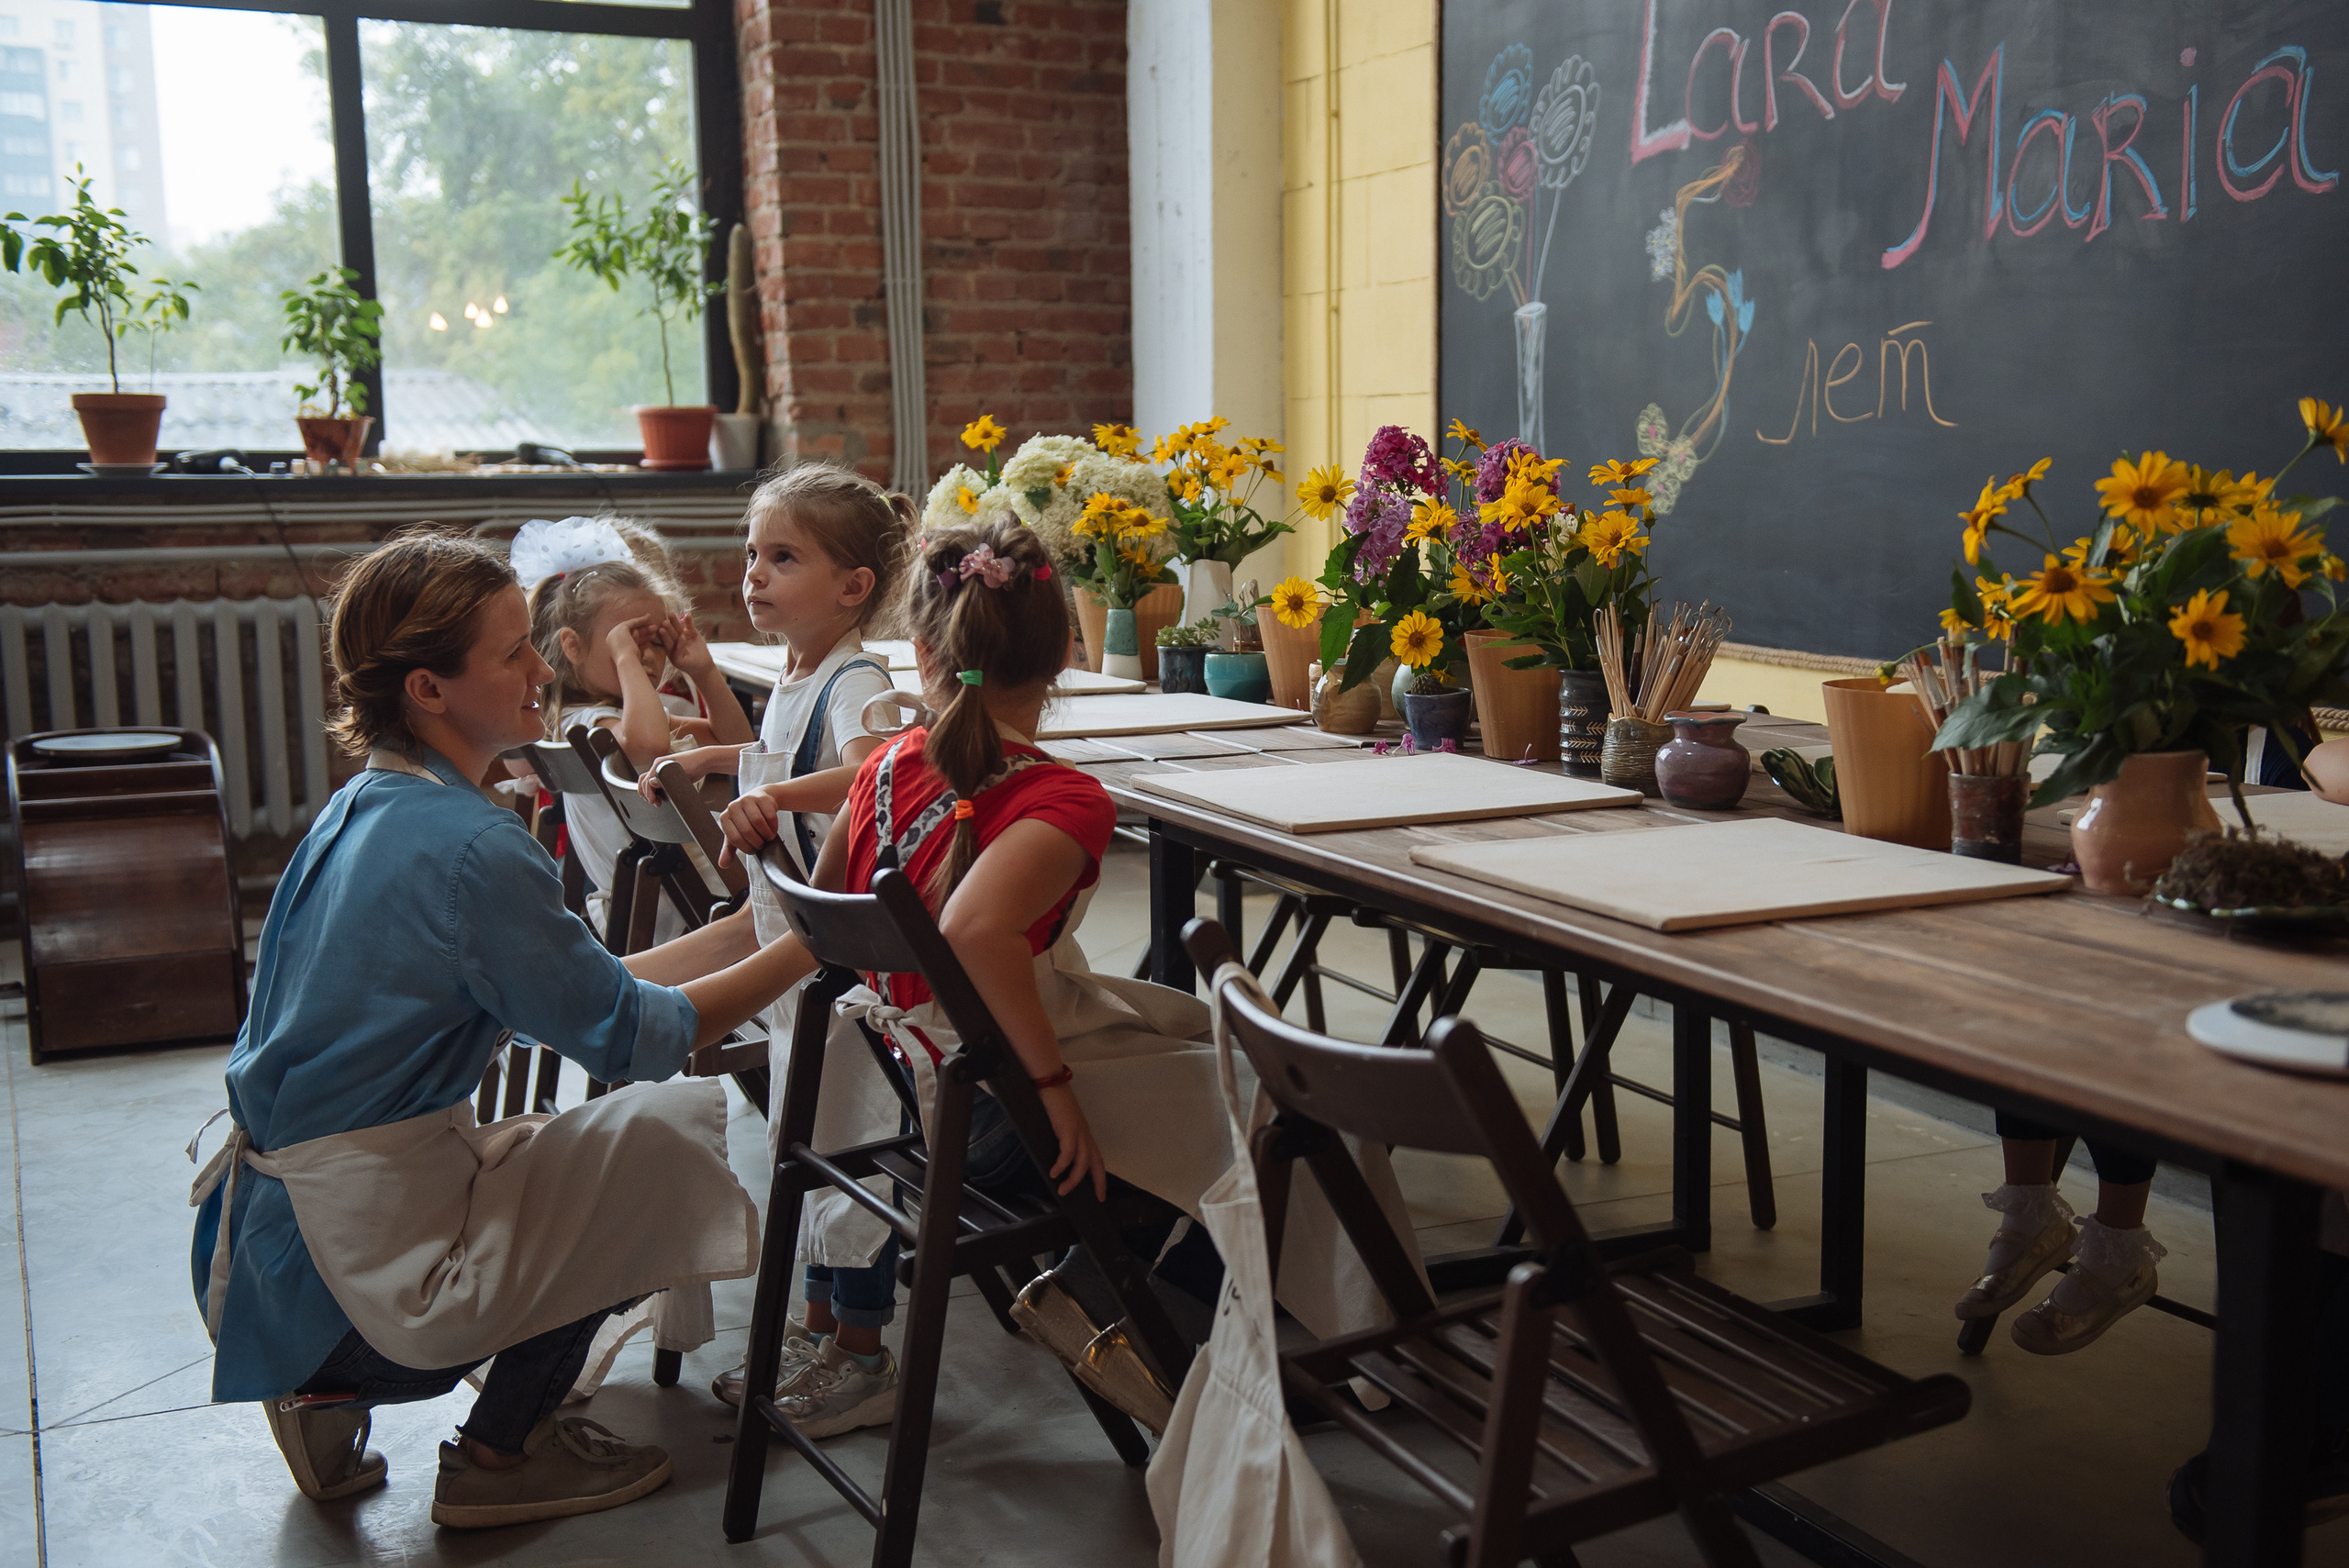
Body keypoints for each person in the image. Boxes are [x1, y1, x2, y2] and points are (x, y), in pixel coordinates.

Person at [721, 517, 1413, 1439]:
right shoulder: (1061, 795)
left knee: (1220, 1066)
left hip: (904, 1092)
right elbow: (975, 928)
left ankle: (1127, 1297)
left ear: (921, 650)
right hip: (994, 1112)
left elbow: (830, 926)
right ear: (1065, 657)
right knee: (1301, 1106)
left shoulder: (880, 769)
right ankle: (1162, 1321)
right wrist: (1050, 1089)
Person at [189, 531, 809, 1527]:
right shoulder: (473, 844)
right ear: (428, 688)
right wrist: (812, 943)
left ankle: (319, 1396)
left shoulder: (368, 804)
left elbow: (580, 988)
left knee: (555, 1152)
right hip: (350, 1286)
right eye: (513, 651)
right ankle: (496, 1454)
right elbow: (635, 1039)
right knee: (656, 1147)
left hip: (266, 1261)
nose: (540, 671)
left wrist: (745, 931)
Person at [635, 466, 916, 1410]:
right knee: (808, 1143)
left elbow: (874, 777)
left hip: (843, 966)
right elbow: (787, 757)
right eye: (753, 552)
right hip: (793, 961)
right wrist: (728, 758)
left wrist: (771, 790)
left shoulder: (857, 678)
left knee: (849, 1149)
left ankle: (863, 1356)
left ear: (853, 587)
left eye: (784, 557)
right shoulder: (799, 673)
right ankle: (819, 1328)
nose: (754, 572)